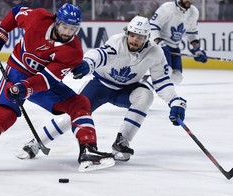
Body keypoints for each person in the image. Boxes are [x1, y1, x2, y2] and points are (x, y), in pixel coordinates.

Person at [0, 3, 114, 175]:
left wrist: (26, 87)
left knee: (79, 103)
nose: (67, 32)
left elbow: (47, 79)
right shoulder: (38, 18)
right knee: (4, 115)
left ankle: (88, 150)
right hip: (17, 73)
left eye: (72, 28)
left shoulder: (73, 52)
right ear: (57, 21)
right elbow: (15, 13)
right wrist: (1, 31)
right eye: (65, 26)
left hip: (41, 83)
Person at [17, 15, 187, 162]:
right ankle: (37, 142)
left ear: (147, 38)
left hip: (126, 90)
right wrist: (87, 64)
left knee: (146, 95)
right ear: (127, 32)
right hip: (100, 86)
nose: (135, 40)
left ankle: (122, 143)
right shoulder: (116, 42)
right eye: (133, 35)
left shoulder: (155, 52)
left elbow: (162, 80)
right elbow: (99, 55)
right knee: (72, 115)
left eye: (140, 37)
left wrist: (175, 101)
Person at [149, 0, 207, 84]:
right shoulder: (167, 8)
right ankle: (148, 85)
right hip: (159, 45)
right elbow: (153, 26)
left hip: (174, 47)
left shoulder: (193, 12)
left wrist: (197, 49)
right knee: (166, 73)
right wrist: (159, 43)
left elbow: (192, 33)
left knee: (177, 78)